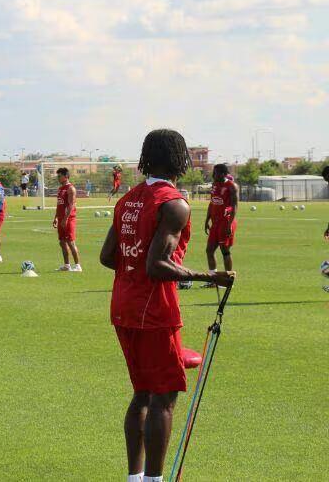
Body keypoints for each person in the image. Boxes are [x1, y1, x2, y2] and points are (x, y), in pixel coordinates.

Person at [99, 129, 234, 482]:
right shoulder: (173, 203)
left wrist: (134, 276)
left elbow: (107, 256)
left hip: (123, 305)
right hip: (155, 310)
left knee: (142, 393)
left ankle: (135, 477)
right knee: (164, 399)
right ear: (180, 159)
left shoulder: (127, 198)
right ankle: (155, 479)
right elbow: (157, 266)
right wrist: (210, 276)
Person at [204, 163, 239, 287]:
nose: (214, 175)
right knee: (209, 250)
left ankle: (228, 281)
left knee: (225, 251)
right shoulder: (214, 184)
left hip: (226, 221)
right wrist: (207, 219)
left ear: (224, 174)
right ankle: (213, 280)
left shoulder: (232, 186)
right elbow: (212, 202)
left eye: (216, 173)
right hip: (215, 222)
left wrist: (229, 224)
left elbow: (235, 206)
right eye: (214, 172)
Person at [53, 168, 81, 272]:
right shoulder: (60, 189)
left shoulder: (71, 189)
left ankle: (78, 266)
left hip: (69, 219)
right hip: (61, 219)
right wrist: (56, 217)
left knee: (70, 242)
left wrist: (65, 219)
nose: (58, 178)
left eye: (59, 176)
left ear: (66, 176)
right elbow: (59, 204)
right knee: (62, 242)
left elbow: (71, 205)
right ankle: (67, 265)